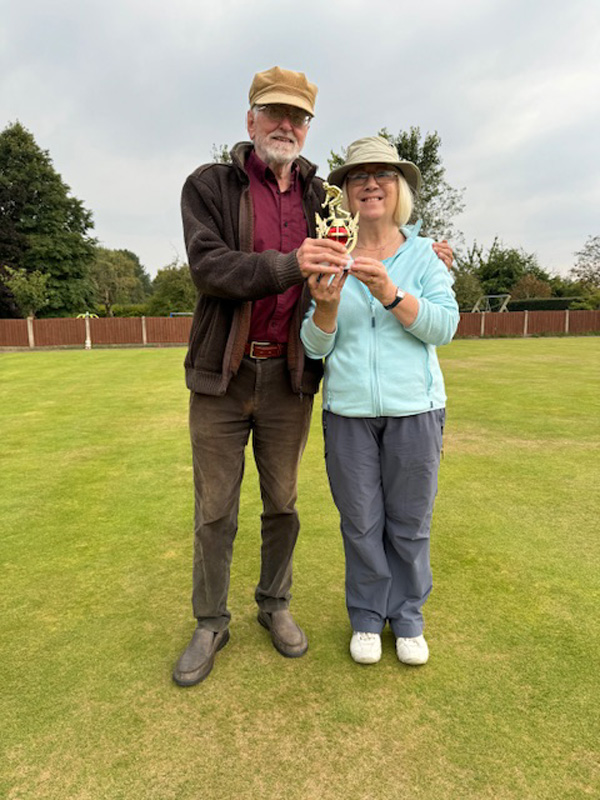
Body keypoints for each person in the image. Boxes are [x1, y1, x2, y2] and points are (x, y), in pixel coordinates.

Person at [173, 69, 453, 687]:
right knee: (215, 508)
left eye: (298, 117)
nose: (285, 125)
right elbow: (210, 267)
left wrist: (424, 250)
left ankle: (274, 607)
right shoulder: (210, 185)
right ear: (250, 120)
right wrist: (287, 265)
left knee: (284, 504)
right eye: (273, 112)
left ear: (307, 128)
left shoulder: (320, 196)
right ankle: (210, 621)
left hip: (290, 377)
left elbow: (371, 227)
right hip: (223, 374)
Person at [300, 136, 459, 667]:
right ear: (345, 191)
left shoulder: (423, 254)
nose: (371, 183)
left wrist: (392, 293)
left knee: (410, 521)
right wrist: (324, 310)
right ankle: (368, 617)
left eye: (384, 174)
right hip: (348, 414)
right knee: (361, 522)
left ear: (399, 189)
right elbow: (314, 345)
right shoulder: (330, 253)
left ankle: (408, 616)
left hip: (415, 410)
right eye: (359, 175)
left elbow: (444, 327)